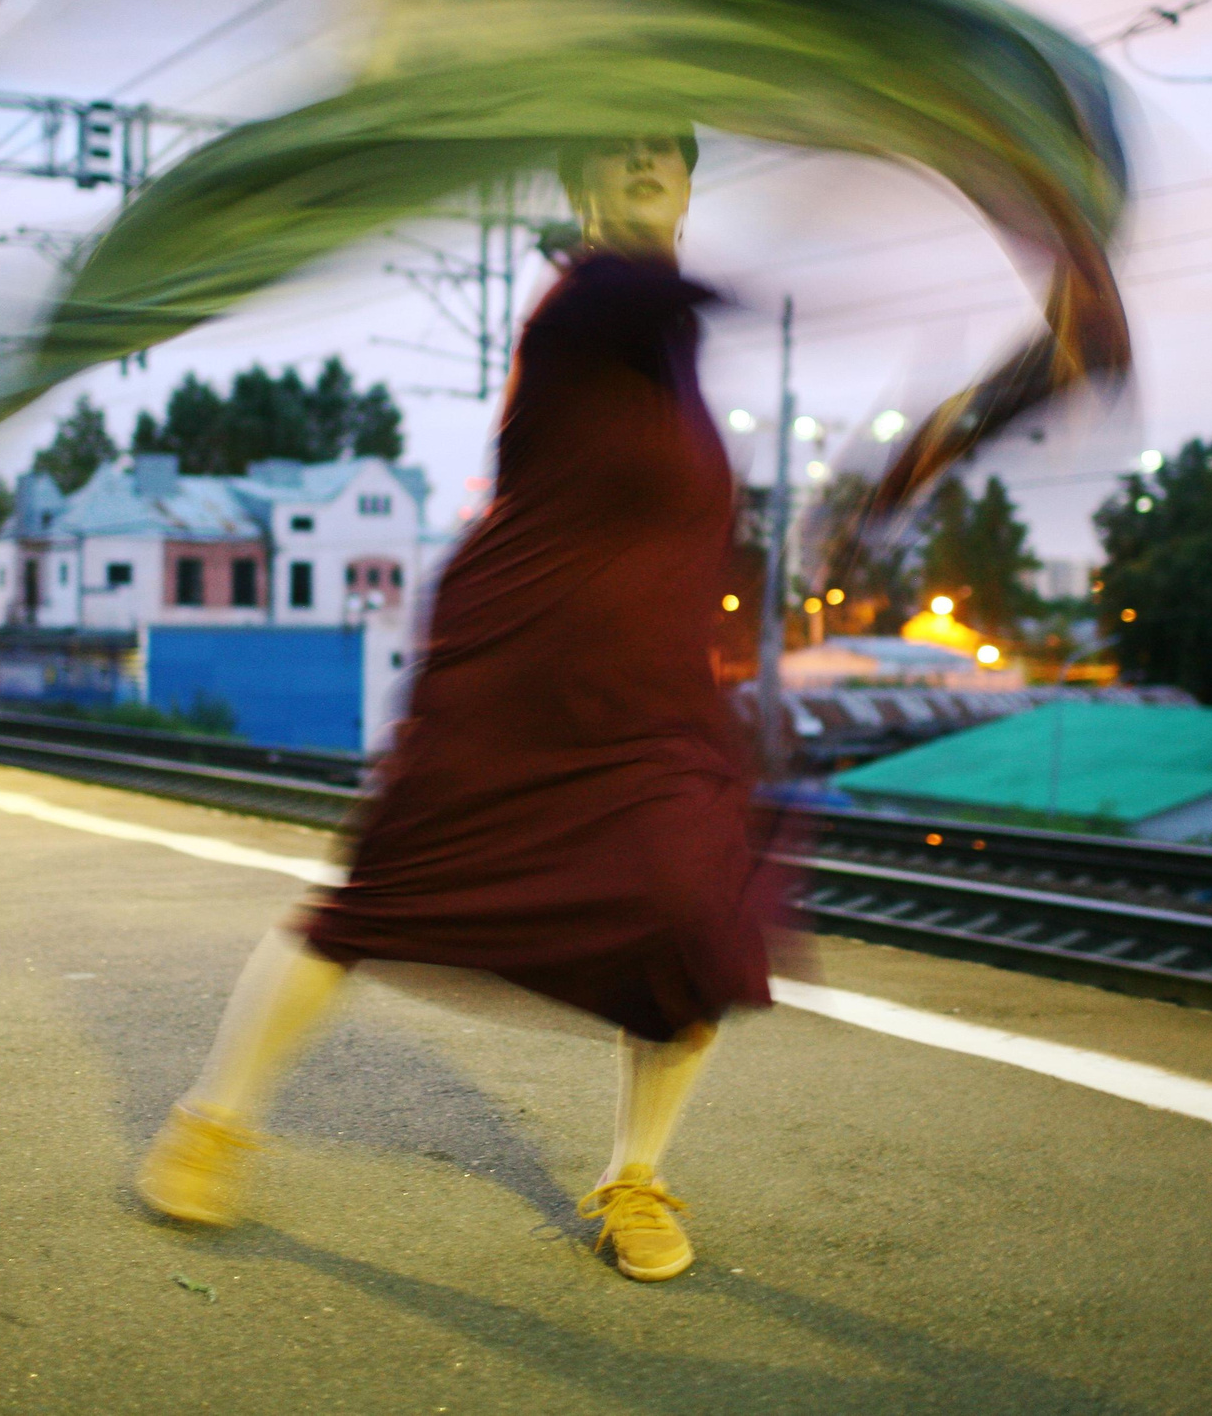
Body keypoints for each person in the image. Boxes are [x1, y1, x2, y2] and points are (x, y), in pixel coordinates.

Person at [136, 129, 780, 1283]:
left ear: (688, 183)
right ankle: (212, 1119)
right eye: (616, 146)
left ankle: (634, 1178)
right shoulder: (585, 305)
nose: (639, 160)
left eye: (664, 152)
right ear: (581, 186)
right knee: (376, 894)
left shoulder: (673, 352)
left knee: (697, 919)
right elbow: (650, 303)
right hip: (513, 674)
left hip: (652, 695)